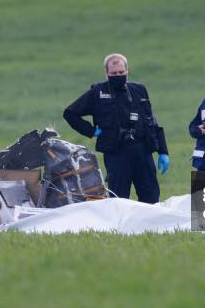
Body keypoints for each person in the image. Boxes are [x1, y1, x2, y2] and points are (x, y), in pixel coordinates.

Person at [63, 53, 169, 203]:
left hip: (142, 151)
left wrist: (163, 151)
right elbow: (70, 113)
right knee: (119, 199)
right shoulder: (98, 92)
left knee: (151, 196)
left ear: (127, 71)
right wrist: (91, 131)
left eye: (121, 72)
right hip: (117, 153)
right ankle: (121, 227)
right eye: (114, 73)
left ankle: (149, 226)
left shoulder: (139, 90)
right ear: (106, 73)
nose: (118, 75)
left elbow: (151, 121)